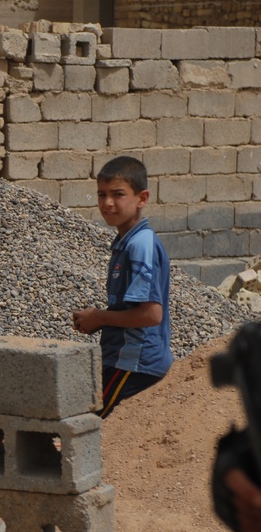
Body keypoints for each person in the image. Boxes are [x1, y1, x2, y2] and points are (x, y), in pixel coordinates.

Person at [71, 156, 172, 418]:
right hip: (123, 361)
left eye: (118, 194)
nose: (107, 203)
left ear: (142, 198)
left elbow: (151, 314)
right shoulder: (125, 242)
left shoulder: (140, 244)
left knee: (87, 428)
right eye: (101, 195)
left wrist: (99, 317)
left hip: (134, 364)